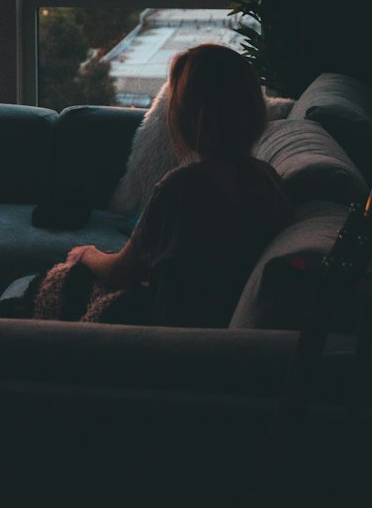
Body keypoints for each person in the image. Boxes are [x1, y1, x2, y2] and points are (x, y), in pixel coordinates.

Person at [46, 43, 294, 328]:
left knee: (46, 288)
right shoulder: (266, 179)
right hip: (214, 328)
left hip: (168, 336)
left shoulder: (181, 187)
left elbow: (120, 273)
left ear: (188, 114)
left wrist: (86, 254)